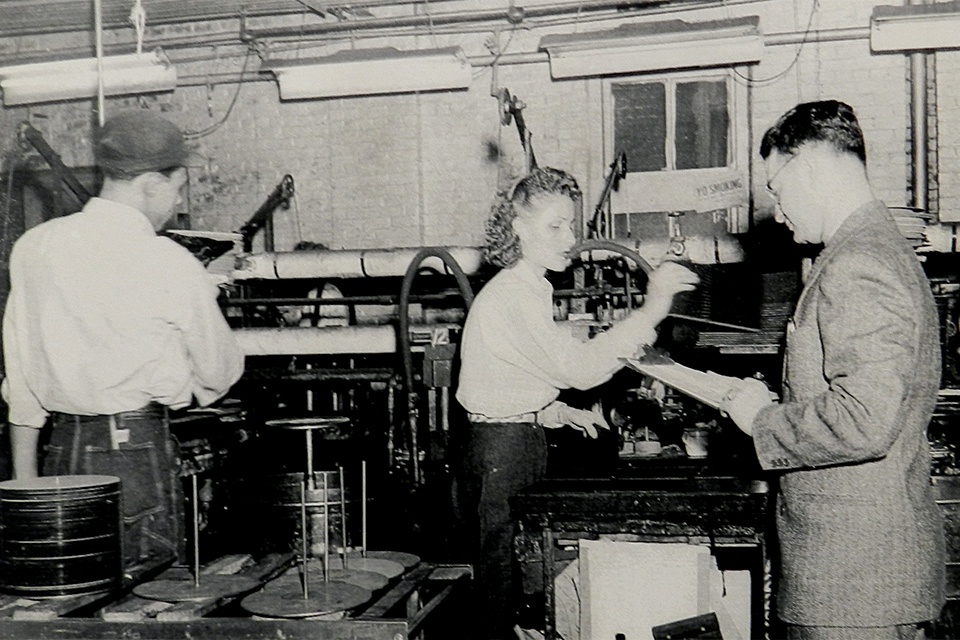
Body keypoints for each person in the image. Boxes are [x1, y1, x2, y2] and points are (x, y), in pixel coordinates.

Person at [720, 100, 945, 639]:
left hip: (852, 585)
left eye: (777, 188)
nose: (776, 211)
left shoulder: (858, 263)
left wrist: (762, 420)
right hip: (862, 576)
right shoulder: (876, 247)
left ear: (812, 168)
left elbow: (865, 418)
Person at [455, 166, 698, 639]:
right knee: (499, 582)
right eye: (555, 225)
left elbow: (507, 377)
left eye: (572, 224)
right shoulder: (513, 294)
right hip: (501, 451)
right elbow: (579, 370)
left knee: (510, 574)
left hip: (509, 441)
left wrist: (557, 411)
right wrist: (651, 309)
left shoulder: (527, 288)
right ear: (519, 228)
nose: (570, 237)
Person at [2, 110, 245, 574]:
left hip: (61, 451)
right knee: (146, 603)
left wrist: (25, 490)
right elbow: (221, 370)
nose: (175, 204)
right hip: (136, 455)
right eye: (177, 188)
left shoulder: (34, 248)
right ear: (152, 182)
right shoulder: (167, 261)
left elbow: (21, 383)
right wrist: (184, 382)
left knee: (73, 595)